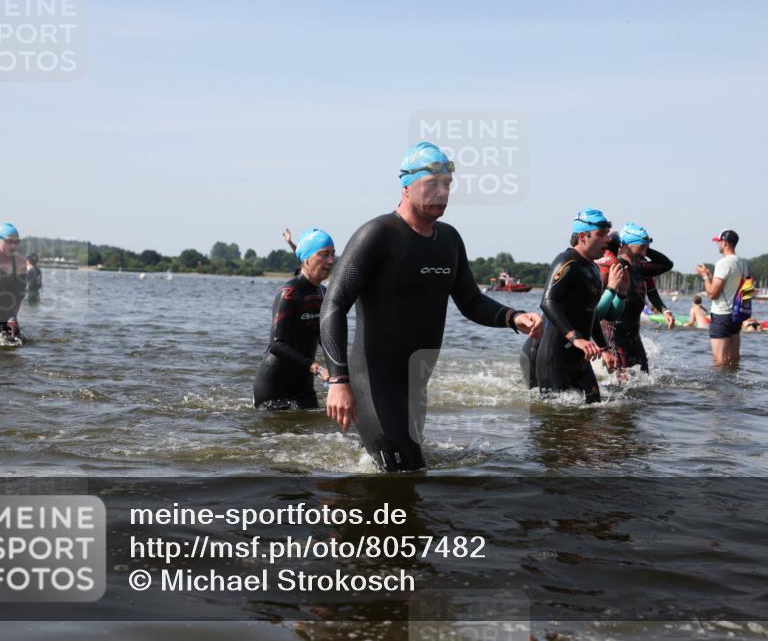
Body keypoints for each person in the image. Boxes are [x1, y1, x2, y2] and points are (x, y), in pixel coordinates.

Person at [319, 141, 542, 472]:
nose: (442, 192)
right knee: (403, 473)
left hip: (415, 383)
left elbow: (471, 300)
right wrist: (339, 381)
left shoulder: (449, 240)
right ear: (406, 186)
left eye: (447, 184)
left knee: (409, 471)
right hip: (374, 381)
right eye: (432, 183)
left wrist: (513, 317)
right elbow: (333, 305)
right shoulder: (377, 235)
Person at [534, 209, 620, 403]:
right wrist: (576, 338)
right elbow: (548, 302)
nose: (607, 240)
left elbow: (591, 314)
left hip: (580, 358)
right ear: (582, 236)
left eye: (607, 234)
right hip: (555, 359)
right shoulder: (567, 262)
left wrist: (604, 348)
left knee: (594, 409)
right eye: (601, 234)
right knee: (557, 418)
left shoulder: (593, 268)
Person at [253, 229, 335, 409]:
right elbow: (277, 344)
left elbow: (325, 338)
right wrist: (316, 368)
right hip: (273, 387)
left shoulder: (324, 293)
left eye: (333, 254)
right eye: (324, 254)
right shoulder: (289, 294)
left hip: (304, 386)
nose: (331, 260)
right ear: (306, 259)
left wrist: (340, 371)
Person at [596, 224, 674, 375]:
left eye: (647, 248)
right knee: (620, 382)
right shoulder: (613, 266)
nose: (645, 253)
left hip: (634, 335)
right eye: (642, 247)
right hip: (614, 335)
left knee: (644, 378)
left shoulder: (640, 268)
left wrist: (664, 310)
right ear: (626, 246)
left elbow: (666, 266)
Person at [695, 229, 747, 366]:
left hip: (722, 315)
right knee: (734, 359)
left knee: (720, 360)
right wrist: (710, 276)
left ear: (724, 242)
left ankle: (720, 381)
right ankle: (734, 380)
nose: (718, 244)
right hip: (736, 314)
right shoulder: (742, 262)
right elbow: (729, 286)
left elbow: (713, 294)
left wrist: (704, 277)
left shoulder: (723, 263)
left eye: (719, 242)